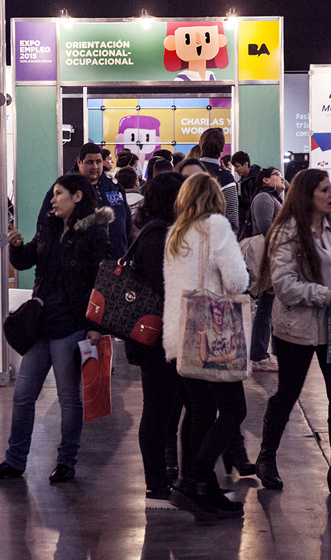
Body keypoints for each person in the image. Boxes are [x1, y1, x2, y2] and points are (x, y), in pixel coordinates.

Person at [0, 174, 111, 483]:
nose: (52, 200)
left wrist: (95, 326)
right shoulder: (49, 226)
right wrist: (16, 247)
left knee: (69, 398)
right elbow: (29, 260)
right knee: (23, 394)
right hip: (41, 322)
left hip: (71, 323)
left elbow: (103, 280)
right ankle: (15, 461)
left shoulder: (94, 233)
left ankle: (66, 461)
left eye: (59, 194)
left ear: (78, 197)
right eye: (52, 194)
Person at [254, 168, 331, 498]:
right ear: (308, 195)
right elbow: (285, 286)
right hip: (295, 328)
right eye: (325, 190)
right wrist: (325, 295)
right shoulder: (286, 232)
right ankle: (266, 458)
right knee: (288, 393)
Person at [163, 173, 249, 520]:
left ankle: (204, 492)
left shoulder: (176, 233)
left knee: (200, 412)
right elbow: (237, 280)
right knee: (234, 411)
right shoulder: (216, 227)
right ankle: (194, 476)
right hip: (211, 340)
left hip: (178, 338)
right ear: (215, 197)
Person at [123, 172, 186, 509]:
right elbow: (164, 284)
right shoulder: (157, 234)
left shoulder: (158, 230)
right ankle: (155, 483)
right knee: (157, 409)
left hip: (163, 335)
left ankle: (166, 478)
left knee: (166, 407)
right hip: (157, 337)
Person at [38, 143, 131, 259]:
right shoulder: (64, 188)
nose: (95, 167)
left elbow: (127, 223)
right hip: (79, 266)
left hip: (116, 263)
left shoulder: (114, 187)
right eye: (90, 162)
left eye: (98, 162)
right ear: (79, 162)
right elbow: (45, 223)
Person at [248, 166, 286, 371]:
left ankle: (265, 353)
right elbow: (265, 227)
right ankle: (259, 355)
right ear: (265, 180)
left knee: (271, 306)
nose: (282, 178)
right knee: (266, 306)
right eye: (277, 175)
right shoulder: (264, 198)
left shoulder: (275, 198)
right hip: (269, 258)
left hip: (276, 257)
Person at [198, 128, 239, 235]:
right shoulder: (225, 177)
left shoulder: (186, 171)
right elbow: (232, 219)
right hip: (215, 240)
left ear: (201, 145)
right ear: (221, 149)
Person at [232, 150, 262, 233]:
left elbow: (251, 203)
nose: (235, 170)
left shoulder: (255, 180)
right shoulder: (246, 179)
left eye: (237, 166)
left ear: (246, 164)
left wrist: (235, 197)